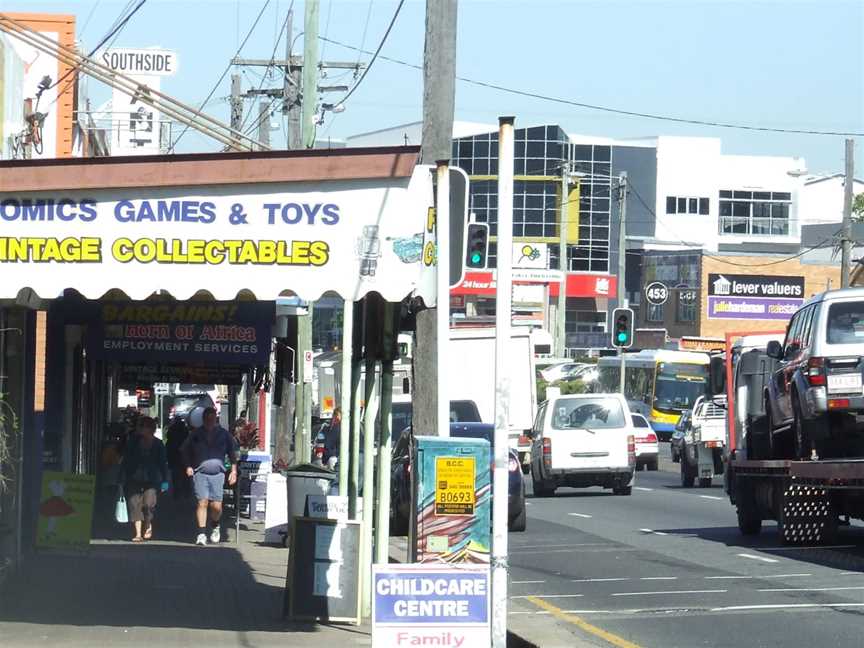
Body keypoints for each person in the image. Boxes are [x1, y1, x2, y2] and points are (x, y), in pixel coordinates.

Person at [181, 406, 239, 546]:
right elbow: (184, 450)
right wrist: (188, 465)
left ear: (215, 419)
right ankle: (201, 533)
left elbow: (232, 453)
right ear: (203, 419)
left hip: (218, 474)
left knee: (216, 506)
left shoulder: (224, 434)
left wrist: (233, 471)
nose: (209, 421)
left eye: (212, 419)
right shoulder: (196, 434)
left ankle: (215, 525)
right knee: (202, 502)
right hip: (200, 473)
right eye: (207, 419)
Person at [120, 416, 169, 542]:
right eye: (140, 426)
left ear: (150, 429)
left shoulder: (158, 444)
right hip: (133, 477)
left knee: (148, 504)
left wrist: (165, 481)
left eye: (143, 427)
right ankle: (137, 534)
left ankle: (148, 523)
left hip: (152, 479)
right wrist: (121, 476)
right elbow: (125, 460)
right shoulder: (133, 442)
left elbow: (163, 464)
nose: (141, 429)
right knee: (134, 504)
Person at [165, 417, 191, 500]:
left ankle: (177, 493)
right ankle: (187, 492)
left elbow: (168, 445)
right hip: (183, 457)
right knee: (185, 476)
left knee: (175, 476)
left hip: (174, 456)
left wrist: (168, 458)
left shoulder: (171, 431)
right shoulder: (185, 431)